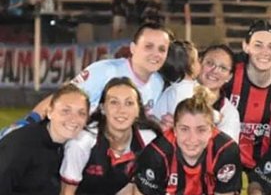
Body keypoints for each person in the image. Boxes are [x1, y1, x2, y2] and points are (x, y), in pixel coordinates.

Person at [15, 23, 171, 129]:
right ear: (133, 48)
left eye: (162, 49)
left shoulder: (158, 82)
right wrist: (28, 122)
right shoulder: (105, 71)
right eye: (148, 46)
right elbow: (62, 97)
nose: (155, 54)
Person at [221, 20, 271, 169]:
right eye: (258, 45)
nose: (265, 52)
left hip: (266, 167)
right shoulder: (228, 76)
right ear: (246, 46)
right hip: (225, 164)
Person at [154, 41, 241, 140]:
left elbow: (226, 149)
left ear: (229, 77)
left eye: (223, 68)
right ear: (198, 63)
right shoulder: (180, 89)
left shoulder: (229, 112)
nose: (215, 70)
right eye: (210, 63)